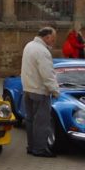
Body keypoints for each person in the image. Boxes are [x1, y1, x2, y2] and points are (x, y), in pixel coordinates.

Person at [20, 27, 60, 157]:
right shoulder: (42, 51)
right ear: (47, 37)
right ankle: (40, 148)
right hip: (39, 90)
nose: (53, 42)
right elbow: (47, 74)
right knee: (42, 121)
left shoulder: (29, 46)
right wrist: (54, 90)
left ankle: (31, 146)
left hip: (28, 88)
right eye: (53, 39)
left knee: (30, 119)